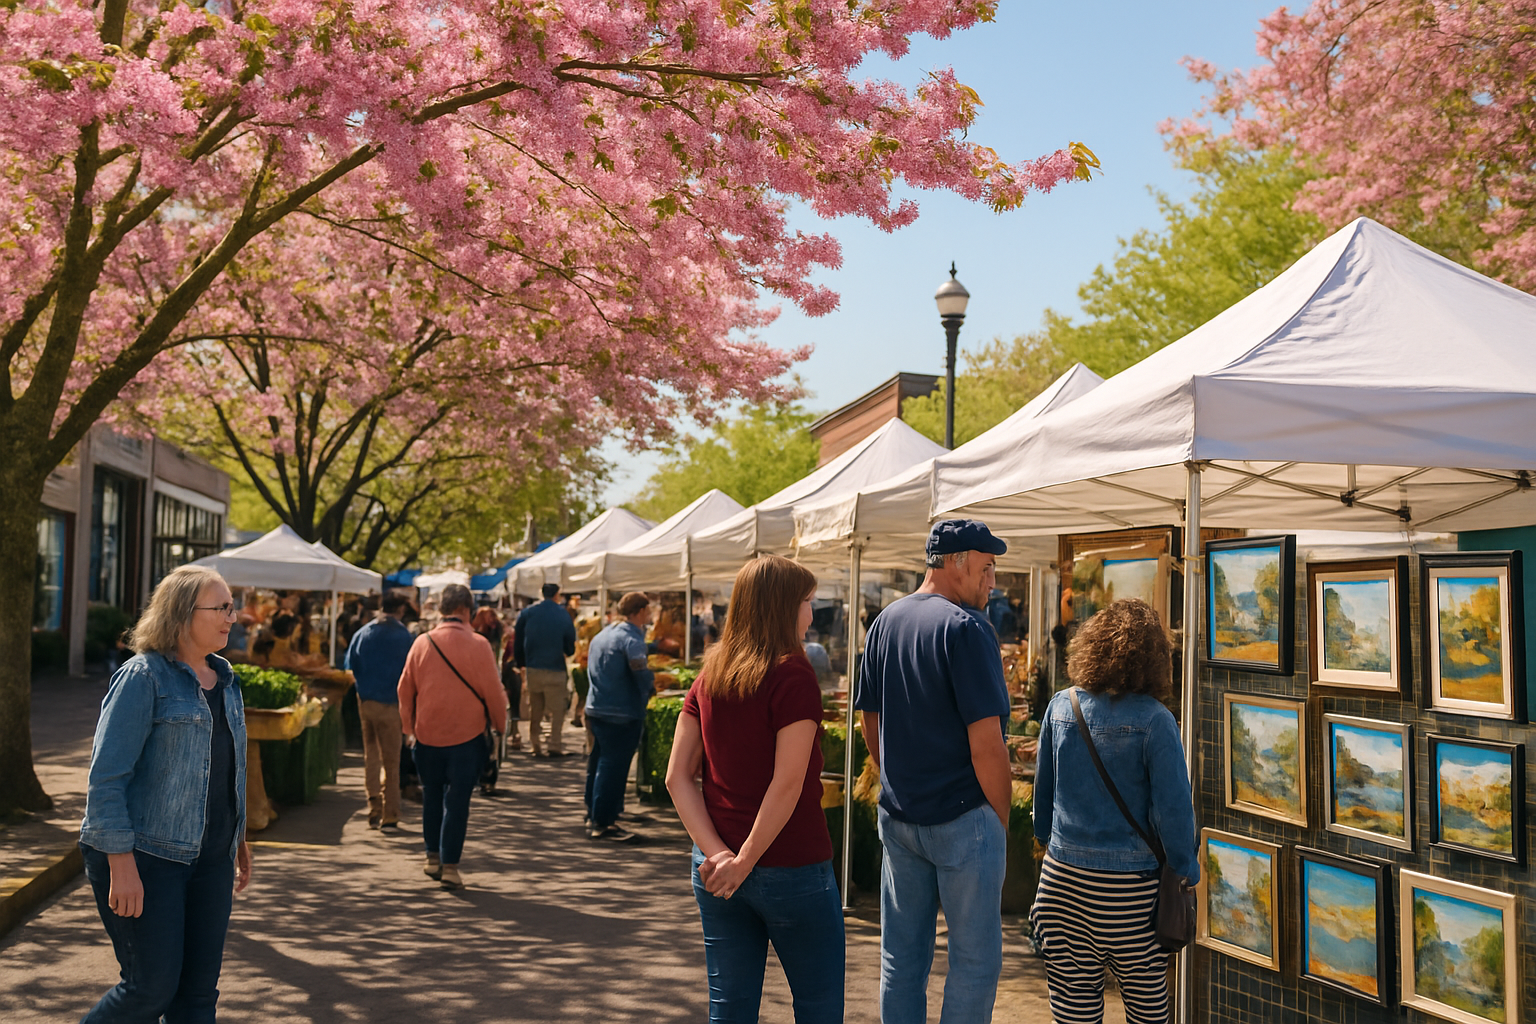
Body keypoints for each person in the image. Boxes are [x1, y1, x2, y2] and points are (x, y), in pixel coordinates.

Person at [666, 555, 843, 1023]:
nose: (811, 612)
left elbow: (676, 777)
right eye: (808, 602)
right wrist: (741, 861)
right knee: (819, 1007)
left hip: (715, 865)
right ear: (784, 606)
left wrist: (720, 856)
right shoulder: (793, 674)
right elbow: (787, 785)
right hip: (790, 866)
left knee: (730, 1008)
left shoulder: (709, 675)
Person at [78, 564, 253, 1022]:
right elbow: (107, 779)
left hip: (211, 859)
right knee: (148, 990)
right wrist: (121, 864)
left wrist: (238, 834)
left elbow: (222, 767)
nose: (232, 618)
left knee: (197, 996)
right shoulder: (143, 677)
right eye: (222, 608)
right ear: (181, 613)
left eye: (233, 608)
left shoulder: (227, 680)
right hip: (146, 858)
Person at [856, 519, 1012, 1024]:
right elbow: (987, 744)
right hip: (963, 817)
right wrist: (1000, 818)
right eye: (986, 568)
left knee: (902, 959)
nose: (992, 581)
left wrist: (894, 776)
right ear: (956, 561)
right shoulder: (967, 628)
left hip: (900, 816)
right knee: (974, 961)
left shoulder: (885, 621)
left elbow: (868, 720)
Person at [1030, 599, 1198, 1024]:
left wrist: (1057, 846)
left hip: (1062, 885)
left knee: (1073, 1011)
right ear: (1155, 660)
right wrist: (1185, 870)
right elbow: (1175, 811)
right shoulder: (1156, 720)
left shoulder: (1060, 706)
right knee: (1147, 1011)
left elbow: (1042, 804)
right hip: (1131, 897)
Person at [398, 583, 508, 890]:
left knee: (431, 796)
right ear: (464, 610)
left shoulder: (421, 642)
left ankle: (432, 856)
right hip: (466, 736)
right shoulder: (480, 645)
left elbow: (404, 689)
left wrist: (408, 728)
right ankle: (450, 865)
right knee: (458, 800)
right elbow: (493, 693)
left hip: (426, 734)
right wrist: (500, 725)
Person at [583, 592, 656, 842]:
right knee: (613, 766)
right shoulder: (631, 639)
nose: (649, 615)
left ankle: (595, 811)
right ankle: (603, 822)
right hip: (620, 712)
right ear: (638, 612)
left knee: (598, 762)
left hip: (597, 708)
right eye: (647, 611)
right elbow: (641, 673)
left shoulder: (602, 635)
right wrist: (651, 687)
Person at [344, 593, 416, 830]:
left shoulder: (363, 633)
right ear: (401, 609)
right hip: (393, 703)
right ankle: (391, 811)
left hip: (366, 701)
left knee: (371, 754)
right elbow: (411, 670)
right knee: (392, 759)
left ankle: (373, 802)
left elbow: (349, 666)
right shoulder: (404, 635)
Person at [514, 583, 577, 757]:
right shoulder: (563, 614)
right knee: (557, 711)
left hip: (533, 667)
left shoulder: (527, 613)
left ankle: (536, 745)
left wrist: (520, 663)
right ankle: (554, 744)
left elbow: (518, 639)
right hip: (555, 667)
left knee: (536, 708)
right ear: (557, 594)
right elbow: (570, 646)